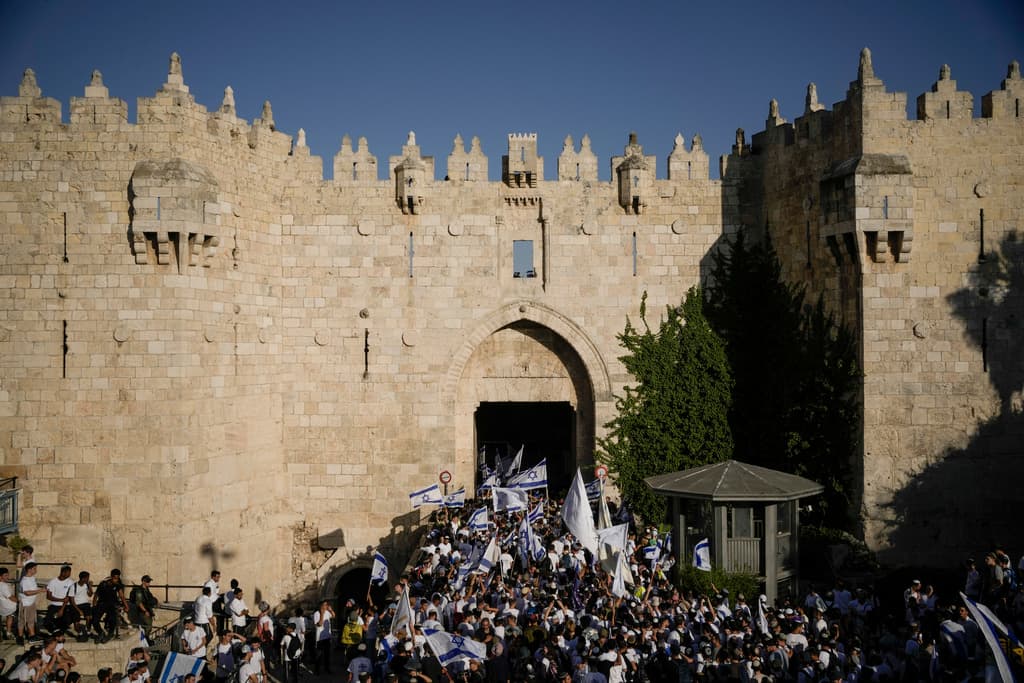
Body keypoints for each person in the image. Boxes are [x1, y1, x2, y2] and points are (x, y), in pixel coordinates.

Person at [92, 569, 128, 641]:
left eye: (117, 578)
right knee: (95, 620)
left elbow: (121, 596)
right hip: (101, 603)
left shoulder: (118, 585)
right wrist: (94, 604)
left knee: (113, 619)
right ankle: (101, 632)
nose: (116, 580)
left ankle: (110, 633)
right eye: (115, 578)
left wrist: (126, 606)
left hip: (112, 604)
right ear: (111, 577)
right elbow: (96, 594)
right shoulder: (103, 583)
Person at [18, 561, 45, 643]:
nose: (36, 570)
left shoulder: (32, 578)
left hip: (31, 602)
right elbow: (27, 592)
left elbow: (33, 588)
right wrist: (40, 590)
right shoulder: (25, 580)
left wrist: (41, 589)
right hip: (26, 603)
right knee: (26, 620)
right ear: (29, 570)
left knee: (30, 620)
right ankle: (30, 637)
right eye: (34, 569)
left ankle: (28, 636)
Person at [45, 565, 75, 634]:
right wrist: (61, 600)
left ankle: (61, 632)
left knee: (67, 620)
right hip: (54, 605)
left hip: (65, 606)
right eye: (68, 572)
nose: (70, 574)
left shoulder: (70, 582)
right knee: (47, 622)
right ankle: (56, 632)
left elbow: (67, 598)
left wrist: (61, 609)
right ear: (63, 572)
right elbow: (49, 596)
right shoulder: (53, 582)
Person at [312, 600, 335, 674]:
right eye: (324, 605)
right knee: (319, 655)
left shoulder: (328, 612)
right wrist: (322, 614)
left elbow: (334, 616)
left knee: (327, 654)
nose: (325, 606)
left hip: (327, 637)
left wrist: (331, 610)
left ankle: (327, 668)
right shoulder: (316, 614)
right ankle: (317, 670)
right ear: (320, 606)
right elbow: (319, 624)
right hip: (320, 638)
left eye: (326, 605)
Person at [0, 567, 17, 639]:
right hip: (7, 605)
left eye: (7, 575)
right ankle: (8, 632)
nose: (7, 577)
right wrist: (18, 601)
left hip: (1, 604)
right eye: (5, 575)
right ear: (0, 577)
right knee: (10, 616)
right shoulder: (3, 585)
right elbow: (10, 597)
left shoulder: (3, 584)